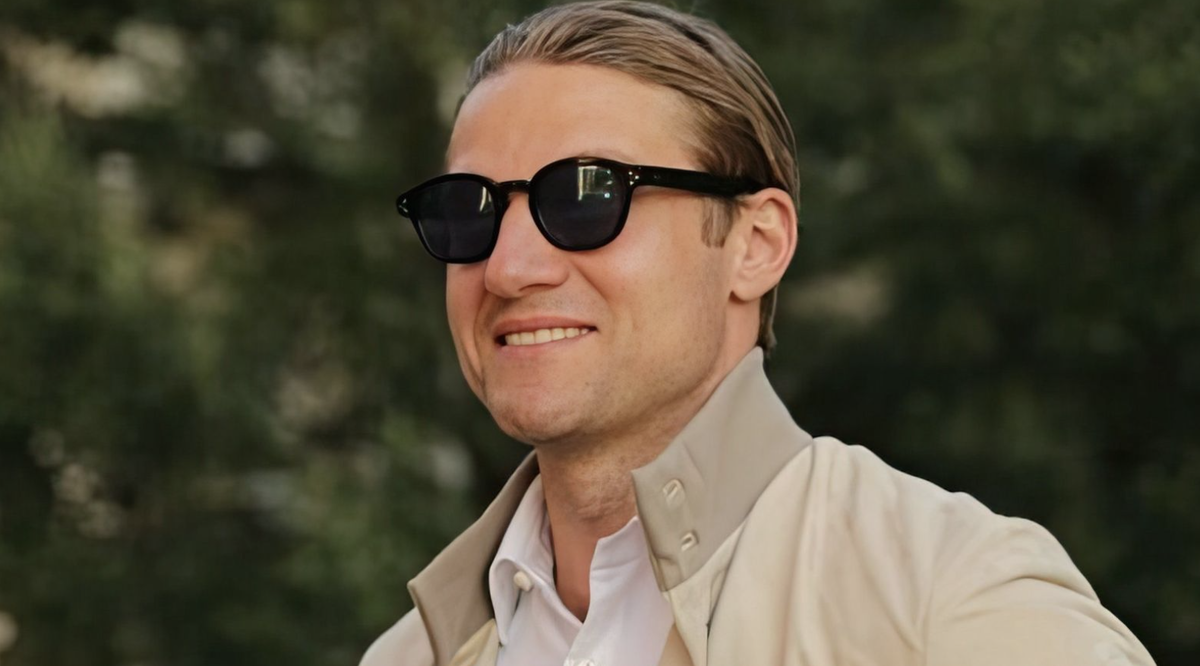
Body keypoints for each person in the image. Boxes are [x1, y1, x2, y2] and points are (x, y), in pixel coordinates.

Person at [364, 2, 1155, 665]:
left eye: (584, 197)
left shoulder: (954, 603)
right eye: (468, 210)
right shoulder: (407, 656)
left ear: (756, 245)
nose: (508, 268)